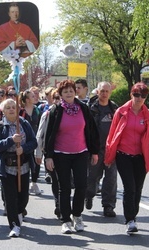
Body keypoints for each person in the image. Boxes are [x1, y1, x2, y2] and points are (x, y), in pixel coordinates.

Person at [104, 82, 149, 234]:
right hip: (123, 155)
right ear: (131, 95)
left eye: (143, 96)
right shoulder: (121, 112)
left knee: (138, 189)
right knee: (129, 188)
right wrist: (109, 156)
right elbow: (112, 135)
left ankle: (133, 215)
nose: (139, 98)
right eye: (136, 95)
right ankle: (130, 220)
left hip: (141, 157)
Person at [44, 79, 100, 234]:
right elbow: (49, 135)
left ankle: (77, 215)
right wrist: (48, 156)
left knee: (81, 186)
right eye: (65, 91)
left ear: (75, 92)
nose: (69, 93)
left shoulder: (83, 108)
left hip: (81, 153)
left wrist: (94, 151)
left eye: (71, 90)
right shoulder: (56, 110)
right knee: (64, 188)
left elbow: (92, 131)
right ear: (60, 94)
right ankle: (66, 220)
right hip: (61, 154)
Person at [0, 98, 37, 237]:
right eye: (8, 107)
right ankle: (14, 225)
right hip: (7, 167)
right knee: (10, 198)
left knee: (23, 197)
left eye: (13, 107)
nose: (11, 109)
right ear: (3, 111)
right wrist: (11, 140)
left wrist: (23, 148)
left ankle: (19, 212)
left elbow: (33, 142)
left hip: (23, 165)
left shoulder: (24, 123)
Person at [85, 81, 118, 217]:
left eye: (107, 91)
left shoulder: (115, 109)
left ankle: (108, 206)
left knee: (111, 179)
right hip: (94, 150)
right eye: (102, 91)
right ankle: (89, 195)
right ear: (97, 92)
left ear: (110, 93)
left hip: (110, 150)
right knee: (92, 177)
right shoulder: (90, 108)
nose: (104, 94)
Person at [35, 88, 61, 218]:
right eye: (55, 98)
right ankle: (59, 204)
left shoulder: (75, 113)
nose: (58, 100)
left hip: (70, 153)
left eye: (59, 97)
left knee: (66, 181)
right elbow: (40, 134)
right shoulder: (48, 113)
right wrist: (38, 153)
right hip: (52, 153)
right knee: (56, 180)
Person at [20, 89, 42, 195]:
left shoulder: (37, 110)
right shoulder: (20, 110)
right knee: (24, 161)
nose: (35, 97)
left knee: (36, 160)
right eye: (32, 96)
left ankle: (34, 182)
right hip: (24, 140)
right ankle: (24, 183)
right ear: (27, 99)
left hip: (36, 138)